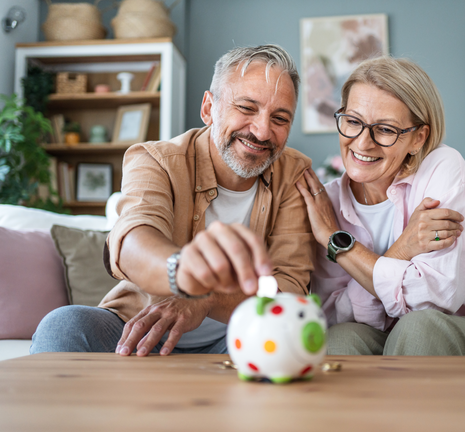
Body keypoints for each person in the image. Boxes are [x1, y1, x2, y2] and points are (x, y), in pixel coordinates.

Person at [31, 44, 317, 357]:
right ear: (208, 108)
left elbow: (288, 289)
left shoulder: (294, 173)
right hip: (139, 327)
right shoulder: (156, 159)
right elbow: (132, 241)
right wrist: (182, 273)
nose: (262, 131)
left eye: (279, 118)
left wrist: (205, 298)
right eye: (247, 109)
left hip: (238, 339)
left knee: (286, 343)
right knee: (63, 324)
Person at [296, 56, 465, 357]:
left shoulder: (442, 169)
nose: (362, 143)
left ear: (418, 137)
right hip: (393, 335)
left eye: (384, 129)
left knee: (418, 328)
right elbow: (333, 316)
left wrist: (341, 247)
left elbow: (437, 298)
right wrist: (400, 250)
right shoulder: (326, 205)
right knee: (338, 340)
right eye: (353, 121)